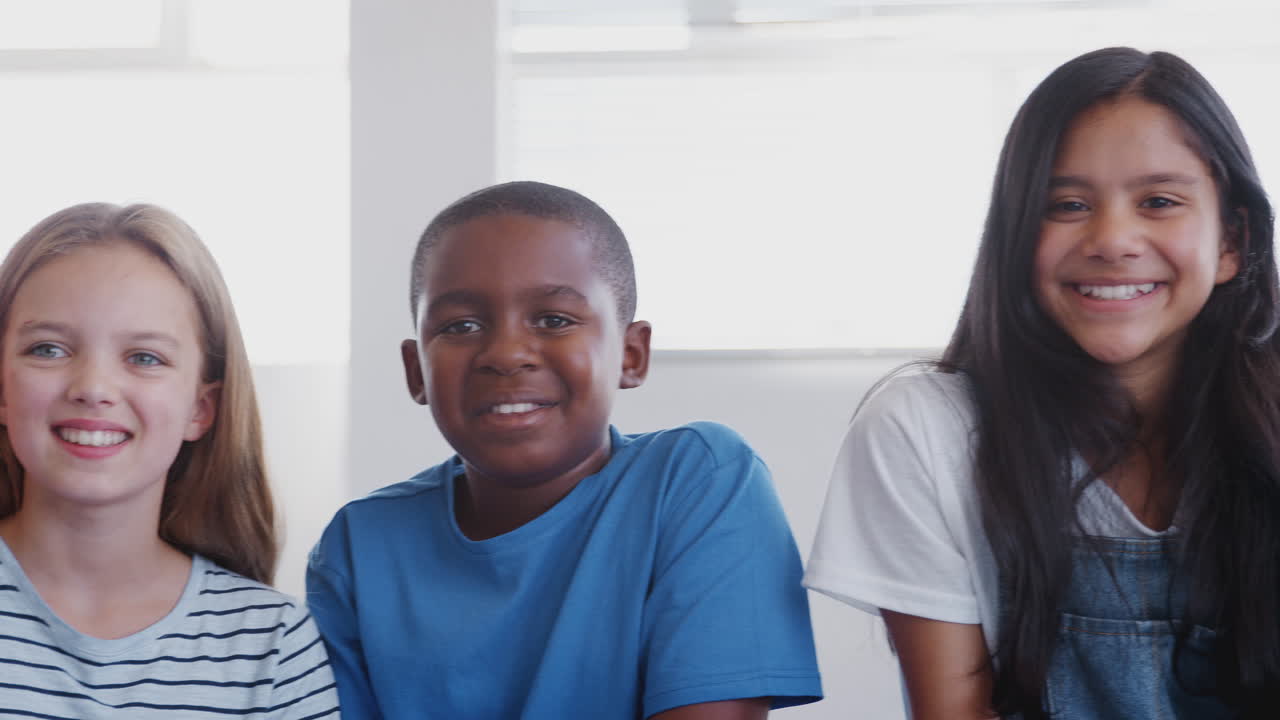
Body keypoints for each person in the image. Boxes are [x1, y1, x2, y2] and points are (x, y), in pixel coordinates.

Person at [804, 47, 1280, 719]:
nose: (1113, 238)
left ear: (1232, 242)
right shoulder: (925, 429)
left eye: (1160, 201)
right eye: (1068, 204)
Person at [307, 180, 822, 719]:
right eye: (461, 325)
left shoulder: (698, 479)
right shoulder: (359, 546)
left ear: (630, 354)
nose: (505, 354)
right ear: (417, 371)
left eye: (554, 319)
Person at [0, 203, 340, 719]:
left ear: (200, 410)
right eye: (48, 349)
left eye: (144, 358)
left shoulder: (272, 647)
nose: (93, 388)